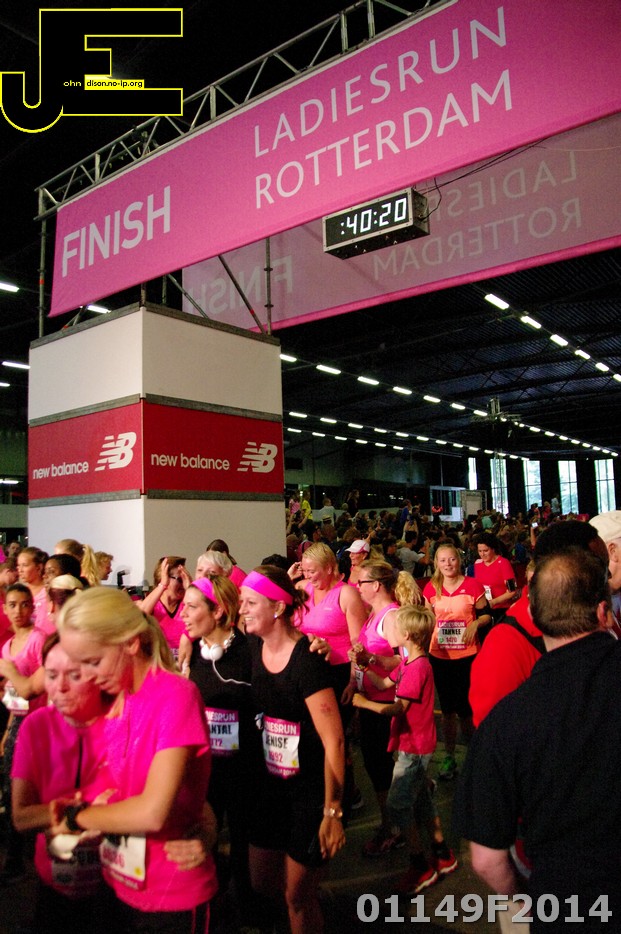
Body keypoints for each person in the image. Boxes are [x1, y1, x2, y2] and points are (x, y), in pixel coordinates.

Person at [454, 548, 621, 933]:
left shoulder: (505, 721)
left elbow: (486, 860)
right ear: (603, 612)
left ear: (534, 614)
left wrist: (523, 901)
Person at [12, 634, 214, 934]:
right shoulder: (37, 726)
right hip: (57, 884)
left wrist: (206, 831)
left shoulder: (122, 714)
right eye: (51, 675)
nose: (60, 687)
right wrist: (77, 813)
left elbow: (181, 794)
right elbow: (20, 817)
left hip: (113, 885)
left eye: (75, 674)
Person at [53, 587, 217, 931]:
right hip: (116, 882)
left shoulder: (175, 695)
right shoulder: (117, 698)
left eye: (93, 661)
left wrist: (77, 817)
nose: (87, 675)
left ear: (130, 643)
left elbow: (152, 811)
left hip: (170, 894)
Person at [239, 566, 345, 934]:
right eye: (242, 602)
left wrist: (333, 811)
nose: (242, 609)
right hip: (270, 788)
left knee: (297, 896)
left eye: (251, 603)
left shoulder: (307, 660)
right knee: (261, 880)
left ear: (278, 608)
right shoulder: (252, 646)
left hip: (309, 792)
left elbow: (334, 740)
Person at [353, 604, 457, 895]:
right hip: (411, 744)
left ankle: (419, 864)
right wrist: (364, 666)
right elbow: (382, 682)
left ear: (408, 634)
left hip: (415, 747)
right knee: (421, 800)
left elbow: (398, 707)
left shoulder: (417, 668)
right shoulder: (409, 663)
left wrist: (364, 704)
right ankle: (442, 852)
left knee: (398, 804)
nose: (389, 631)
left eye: (394, 628)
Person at [183, 574, 260, 927]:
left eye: (192, 607)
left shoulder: (249, 651)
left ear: (217, 612)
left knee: (244, 844)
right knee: (205, 845)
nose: (184, 615)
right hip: (205, 771)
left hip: (245, 769)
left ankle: (249, 909)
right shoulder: (192, 654)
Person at [348, 560, 422, 855]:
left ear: (376, 585)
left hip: (385, 701)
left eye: (362, 582)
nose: (357, 587)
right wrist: (355, 679)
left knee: (380, 766)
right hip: (370, 698)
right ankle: (396, 818)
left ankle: (394, 827)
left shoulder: (391, 617)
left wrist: (371, 660)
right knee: (376, 765)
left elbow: (405, 660)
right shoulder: (373, 615)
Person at [422, 543, 491, 780]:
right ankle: (449, 756)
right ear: (436, 564)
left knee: (467, 709)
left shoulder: (473, 585)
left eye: (451, 559)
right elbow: (427, 618)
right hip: (440, 656)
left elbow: (487, 615)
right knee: (447, 710)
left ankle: (473, 755)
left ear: (458, 561)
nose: (448, 564)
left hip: (467, 656)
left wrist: (476, 623)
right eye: (443, 560)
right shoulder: (431, 588)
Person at [0, 582, 47, 882]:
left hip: (39, 722)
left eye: (24, 604)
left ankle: (31, 857)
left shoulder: (38, 639)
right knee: (11, 787)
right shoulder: (7, 646)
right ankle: (16, 858)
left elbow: (39, 685)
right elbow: (13, 695)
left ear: (32, 607)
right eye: (12, 605)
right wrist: (8, 730)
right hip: (18, 721)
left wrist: (11, 674)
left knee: (34, 788)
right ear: (5, 609)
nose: (19, 610)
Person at [138, 555, 191, 663]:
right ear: (163, 578)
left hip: (184, 664)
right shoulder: (154, 604)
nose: (183, 583)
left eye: (185, 578)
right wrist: (162, 585)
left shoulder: (187, 604)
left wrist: (190, 588)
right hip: (159, 664)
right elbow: (139, 615)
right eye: (180, 579)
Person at [472, 531, 517, 622]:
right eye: (480, 551)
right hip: (484, 609)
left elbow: (512, 591)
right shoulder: (477, 564)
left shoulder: (504, 563)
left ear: (493, 549)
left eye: (486, 551)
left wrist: (493, 602)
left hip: (501, 609)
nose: (482, 554)